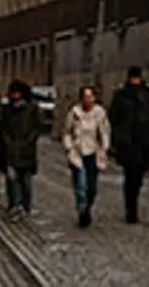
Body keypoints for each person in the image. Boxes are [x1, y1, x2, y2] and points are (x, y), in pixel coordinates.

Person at [108, 65, 149, 224]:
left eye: (137, 78)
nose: (135, 80)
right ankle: (130, 209)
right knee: (130, 176)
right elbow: (114, 118)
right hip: (128, 144)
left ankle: (133, 203)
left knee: (139, 177)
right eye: (133, 78)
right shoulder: (122, 96)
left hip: (144, 143)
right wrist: (118, 139)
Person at [63, 85, 111, 227]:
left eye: (90, 97)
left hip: (93, 152)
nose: (88, 100)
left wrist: (104, 147)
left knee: (92, 187)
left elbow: (104, 132)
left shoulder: (99, 113)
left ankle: (88, 206)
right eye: (85, 97)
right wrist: (69, 147)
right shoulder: (74, 113)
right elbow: (66, 132)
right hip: (77, 153)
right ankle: (82, 210)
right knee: (80, 185)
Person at [0, 79, 43, 216]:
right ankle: (14, 204)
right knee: (12, 177)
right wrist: (6, 142)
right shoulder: (7, 109)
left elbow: (37, 126)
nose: (14, 95)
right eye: (13, 92)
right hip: (10, 149)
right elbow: (2, 128)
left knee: (25, 179)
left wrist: (30, 140)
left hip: (26, 150)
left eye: (17, 92)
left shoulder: (32, 108)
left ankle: (25, 204)